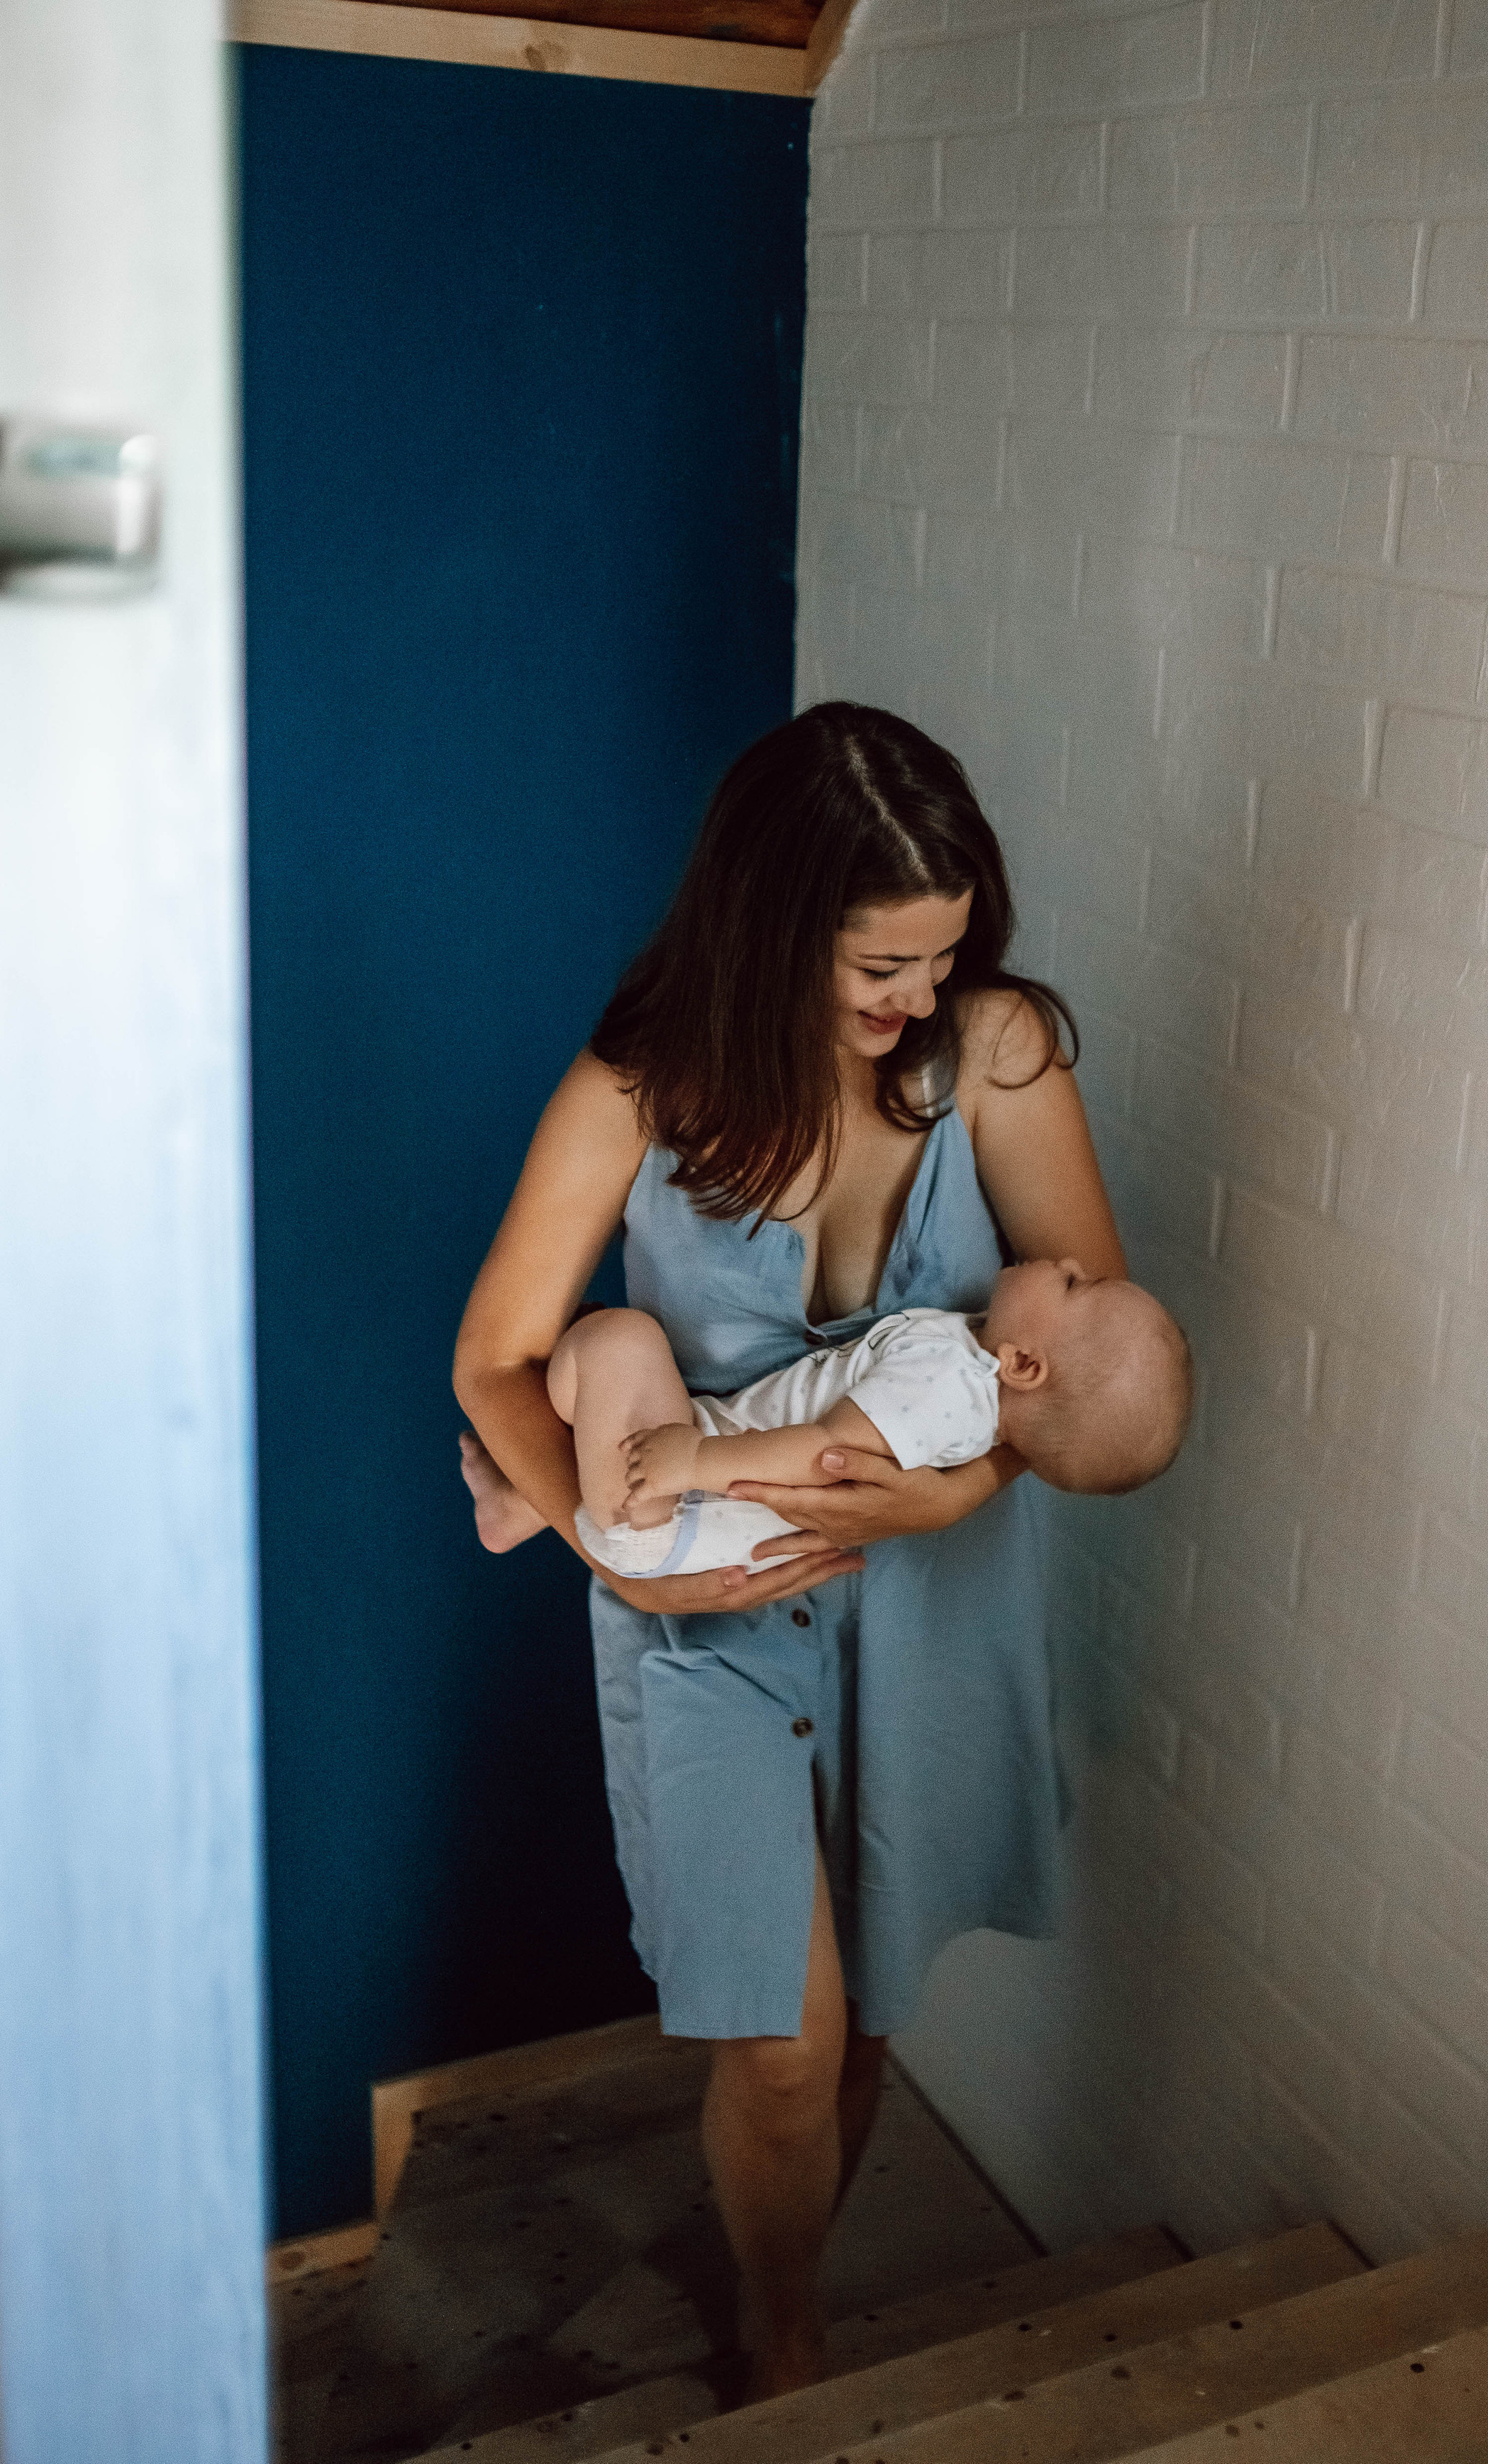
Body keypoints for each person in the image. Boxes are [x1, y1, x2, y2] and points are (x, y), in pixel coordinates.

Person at [452, 703, 1136, 2402]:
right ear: (767, 930)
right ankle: (780, 2331)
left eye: (941, 954)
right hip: (707, 1598)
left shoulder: (999, 1054)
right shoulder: (636, 1089)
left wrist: (943, 1499)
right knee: (776, 2039)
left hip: (934, 1596)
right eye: (875, 966)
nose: (918, 999)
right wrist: (623, 1561)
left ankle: (792, 2286)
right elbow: (492, 1357)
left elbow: (1078, 1359)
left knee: (874, 2001)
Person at [463, 1259, 1192, 1580]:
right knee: (601, 1357)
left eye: (1071, 1281)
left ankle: (533, 1501)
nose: (1064, 1257)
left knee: (616, 1339)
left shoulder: (948, 1385)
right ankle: (519, 1506)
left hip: (670, 1504)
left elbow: (827, 1455)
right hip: (678, 1503)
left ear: (1025, 1366)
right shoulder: (972, 1382)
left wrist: (691, 1464)